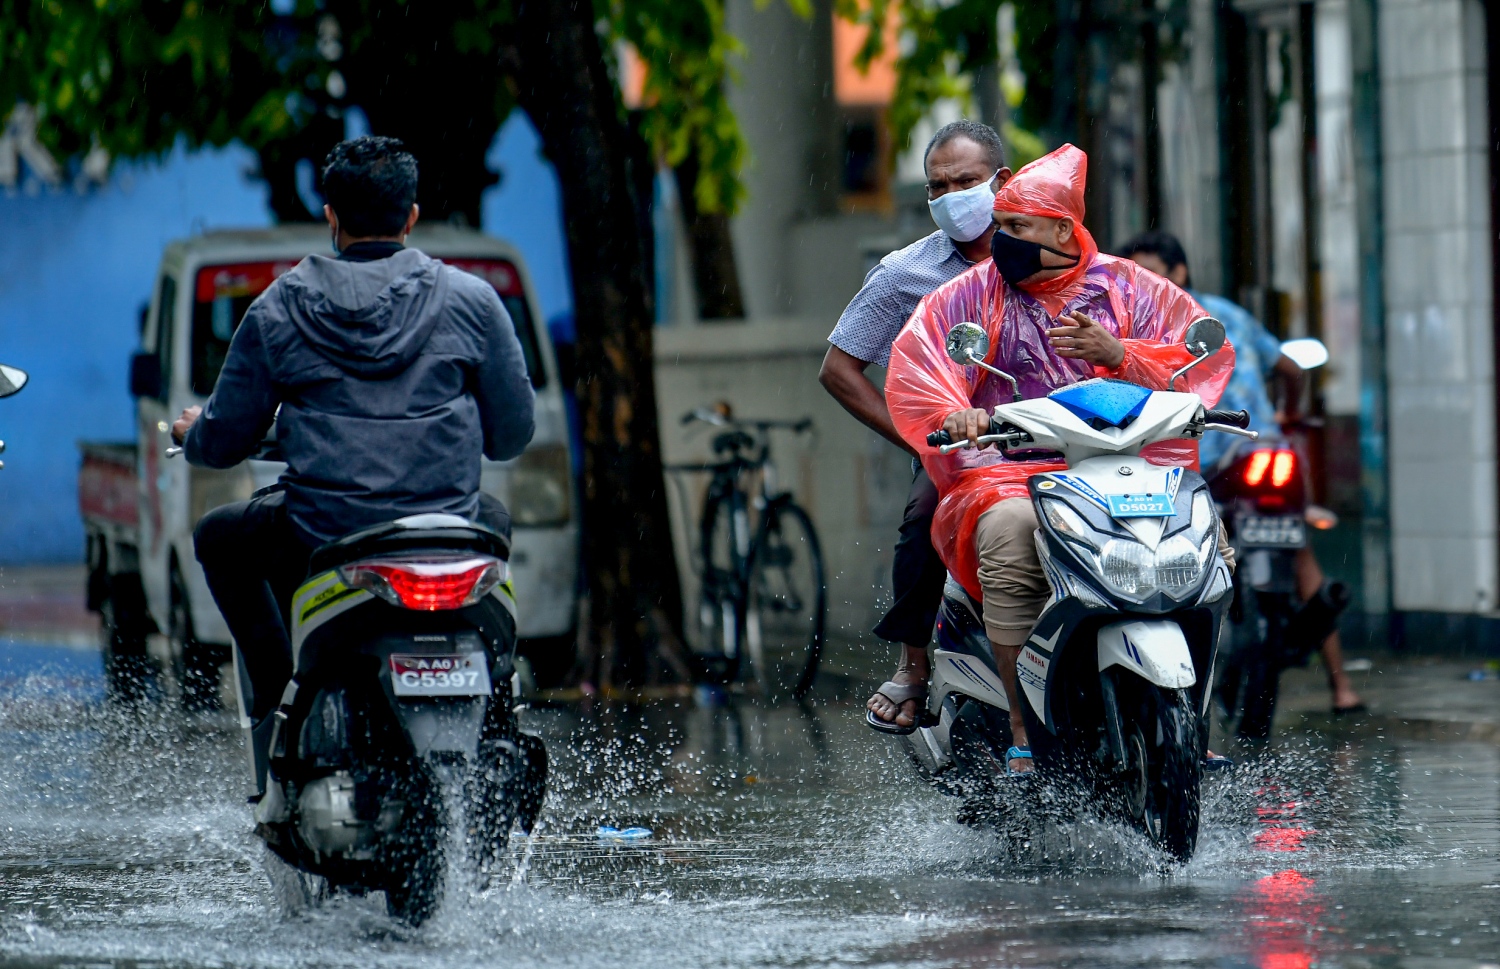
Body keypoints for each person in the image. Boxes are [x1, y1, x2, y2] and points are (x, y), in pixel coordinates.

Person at [884, 145, 1235, 773]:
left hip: (1125, 466)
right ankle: (1023, 725)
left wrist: (1119, 352)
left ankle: (1188, 714)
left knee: (1212, 549)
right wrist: (957, 417)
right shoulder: (969, 297)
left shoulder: (1130, 287)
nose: (1004, 240)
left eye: (1018, 227)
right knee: (1009, 537)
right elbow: (923, 368)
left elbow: (1195, 357)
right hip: (1009, 472)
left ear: (1061, 229)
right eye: (1002, 226)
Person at [170, 135, 536, 726]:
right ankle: (498, 700)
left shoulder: (277, 309)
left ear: (331, 218)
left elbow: (223, 444)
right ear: (412, 217)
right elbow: (511, 437)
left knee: (218, 536)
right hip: (446, 535)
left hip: (323, 537)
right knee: (491, 519)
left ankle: (281, 701)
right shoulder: (475, 303)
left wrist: (194, 434)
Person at [817, 119, 1013, 732]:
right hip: (962, 451)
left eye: (966, 182)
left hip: (1061, 442)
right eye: (936, 188)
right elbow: (839, 369)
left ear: (1002, 182)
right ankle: (914, 664)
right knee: (926, 514)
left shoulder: (1048, 250)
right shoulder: (906, 272)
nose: (950, 198)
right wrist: (920, 440)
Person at [1120, 230, 1364, 714]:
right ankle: (1343, 687)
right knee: (1300, 557)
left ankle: (1184, 690)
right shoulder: (1229, 313)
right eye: (1133, 274)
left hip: (1203, 463)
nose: (1139, 282)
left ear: (1179, 273)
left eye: (1148, 271)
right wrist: (1290, 417)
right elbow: (1291, 368)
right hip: (1267, 452)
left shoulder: (1147, 326)